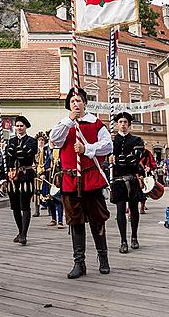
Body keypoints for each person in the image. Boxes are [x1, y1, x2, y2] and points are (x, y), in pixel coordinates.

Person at [50, 87, 112, 278]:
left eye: (78, 101)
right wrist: (70, 120)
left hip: (91, 179)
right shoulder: (64, 125)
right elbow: (55, 140)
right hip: (70, 180)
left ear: (85, 102)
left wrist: (87, 148)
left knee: (97, 220)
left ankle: (103, 259)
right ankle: (79, 262)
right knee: (75, 222)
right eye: (72, 101)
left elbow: (108, 145)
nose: (75, 104)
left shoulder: (95, 124)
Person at [110, 112, 144, 253]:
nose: (123, 124)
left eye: (125, 122)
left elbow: (134, 159)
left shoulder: (136, 140)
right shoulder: (111, 141)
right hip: (118, 180)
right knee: (119, 211)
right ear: (117, 124)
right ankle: (123, 240)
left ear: (129, 124)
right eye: (120, 122)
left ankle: (134, 237)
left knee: (134, 210)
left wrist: (117, 159)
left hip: (132, 178)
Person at [6, 116, 38, 245]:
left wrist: (16, 152)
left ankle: (24, 233)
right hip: (13, 175)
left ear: (26, 127)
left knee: (24, 205)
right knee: (15, 206)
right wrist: (13, 152)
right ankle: (20, 231)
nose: (19, 128)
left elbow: (26, 155)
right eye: (17, 126)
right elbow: (8, 159)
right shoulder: (11, 141)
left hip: (26, 174)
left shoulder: (32, 141)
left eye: (21, 126)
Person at [46, 144, 64, 229]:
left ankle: (60, 221)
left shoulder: (61, 148)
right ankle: (53, 219)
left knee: (58, 199)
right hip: (49, 176)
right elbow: (47, 161)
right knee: (50, 199)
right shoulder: (48, 150)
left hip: (58, 177)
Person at [33, 132, 48, 217]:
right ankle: (37, 210)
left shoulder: (47, 149)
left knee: (47, 192)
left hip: (45, 172)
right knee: (36, 192)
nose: (41, 141)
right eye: (39, 140)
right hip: (36, 173)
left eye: (42, 140)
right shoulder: (35, 150)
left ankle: (50, 209)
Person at [139, 144, 157, 213]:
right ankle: (130, 209)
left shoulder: (147, 152)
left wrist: (150, 167)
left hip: (144, 174)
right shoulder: (132, 151)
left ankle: (142, 207)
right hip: (134, 174)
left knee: (144, 191)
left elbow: (152, 163)